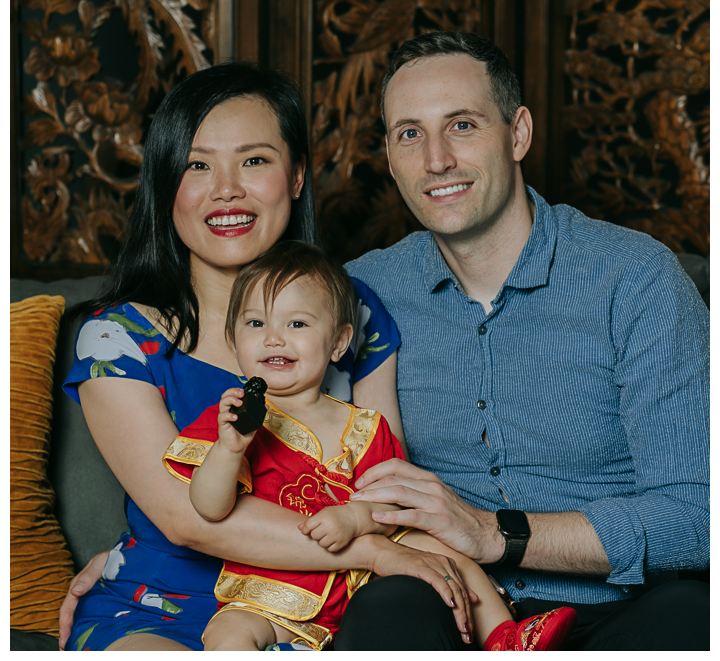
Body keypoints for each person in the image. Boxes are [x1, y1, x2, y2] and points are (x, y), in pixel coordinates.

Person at [60, 61, 473, 651]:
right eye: (197, 165)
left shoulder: (353, 314)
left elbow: (385, 484)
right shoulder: (115, 339)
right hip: (154, 604)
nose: (226, 188)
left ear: (297, 177)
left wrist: (382, 551)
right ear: (165, 184)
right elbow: (186, 519)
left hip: (315, 601)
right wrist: (376, 552)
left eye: (254, 160)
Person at [339, 29, 709, 651]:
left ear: (517, 134)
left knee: (692, 616)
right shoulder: (362, 291)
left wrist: (496, 533)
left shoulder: (634, 277)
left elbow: (698, 517)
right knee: (386, 609)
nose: (436, 160)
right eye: (410, 133)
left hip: (615, 611)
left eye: (461, 125)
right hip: (445, 605)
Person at [168, 240, 575, 651]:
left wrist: (354, 519)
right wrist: (229, 450)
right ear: (232, 338)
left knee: (439, 546)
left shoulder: (365, 426)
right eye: (255, 324)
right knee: (227, 634)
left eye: (297, 325)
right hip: (270, 587)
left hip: (365, 587)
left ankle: (504, 635)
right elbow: (209, 507)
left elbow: (396, 505)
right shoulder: (232, 420)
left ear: (339, 342)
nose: (274, 339)